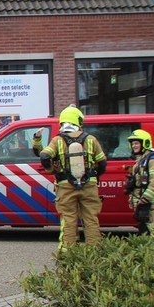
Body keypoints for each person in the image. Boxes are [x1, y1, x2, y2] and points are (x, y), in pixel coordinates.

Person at [31, 105, 107, 248]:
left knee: (69, 220)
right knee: (91, 219)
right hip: (89, 186)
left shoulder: (58, 140)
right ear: (79, 121)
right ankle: (95, 253)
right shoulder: (91, 139)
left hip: (66, 186)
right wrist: (94, 177)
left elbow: (44, 156)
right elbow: (102, 163)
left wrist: (52, 171)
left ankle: (69, 254)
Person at [125, 129, 154, 233]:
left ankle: (153, 248)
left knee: (149, 226)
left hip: (149, 200)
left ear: (145, 143)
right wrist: (132, 198)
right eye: (132, 144)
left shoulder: (153, 159)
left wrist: (145, 198)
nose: (134, 146)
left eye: (137, 143)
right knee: (143, 226)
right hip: (141, 199)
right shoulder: (142, 160)